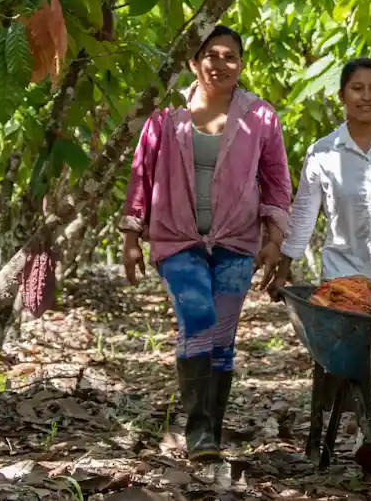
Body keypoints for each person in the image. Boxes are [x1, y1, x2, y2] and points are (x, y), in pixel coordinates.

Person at [119, 25, 291, 461]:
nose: (220, 63)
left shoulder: (260, 117)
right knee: (197, 316)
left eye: (230, 55)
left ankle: (211, 429)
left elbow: (276, 180)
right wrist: (131, 235)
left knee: (222, 334)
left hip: (236, 239)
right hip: (177, 237)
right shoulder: (167, 113)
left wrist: (274, 239)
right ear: (194, 62)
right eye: (211, 55)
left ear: (241, 64)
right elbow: (142, 174)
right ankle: (197, 429)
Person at [266, 57, 371, 293]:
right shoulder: (322, 153)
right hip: (342, 279)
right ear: (341, 96)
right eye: (357, 88)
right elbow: (304, 216)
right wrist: (282, 272)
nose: (366, 97)